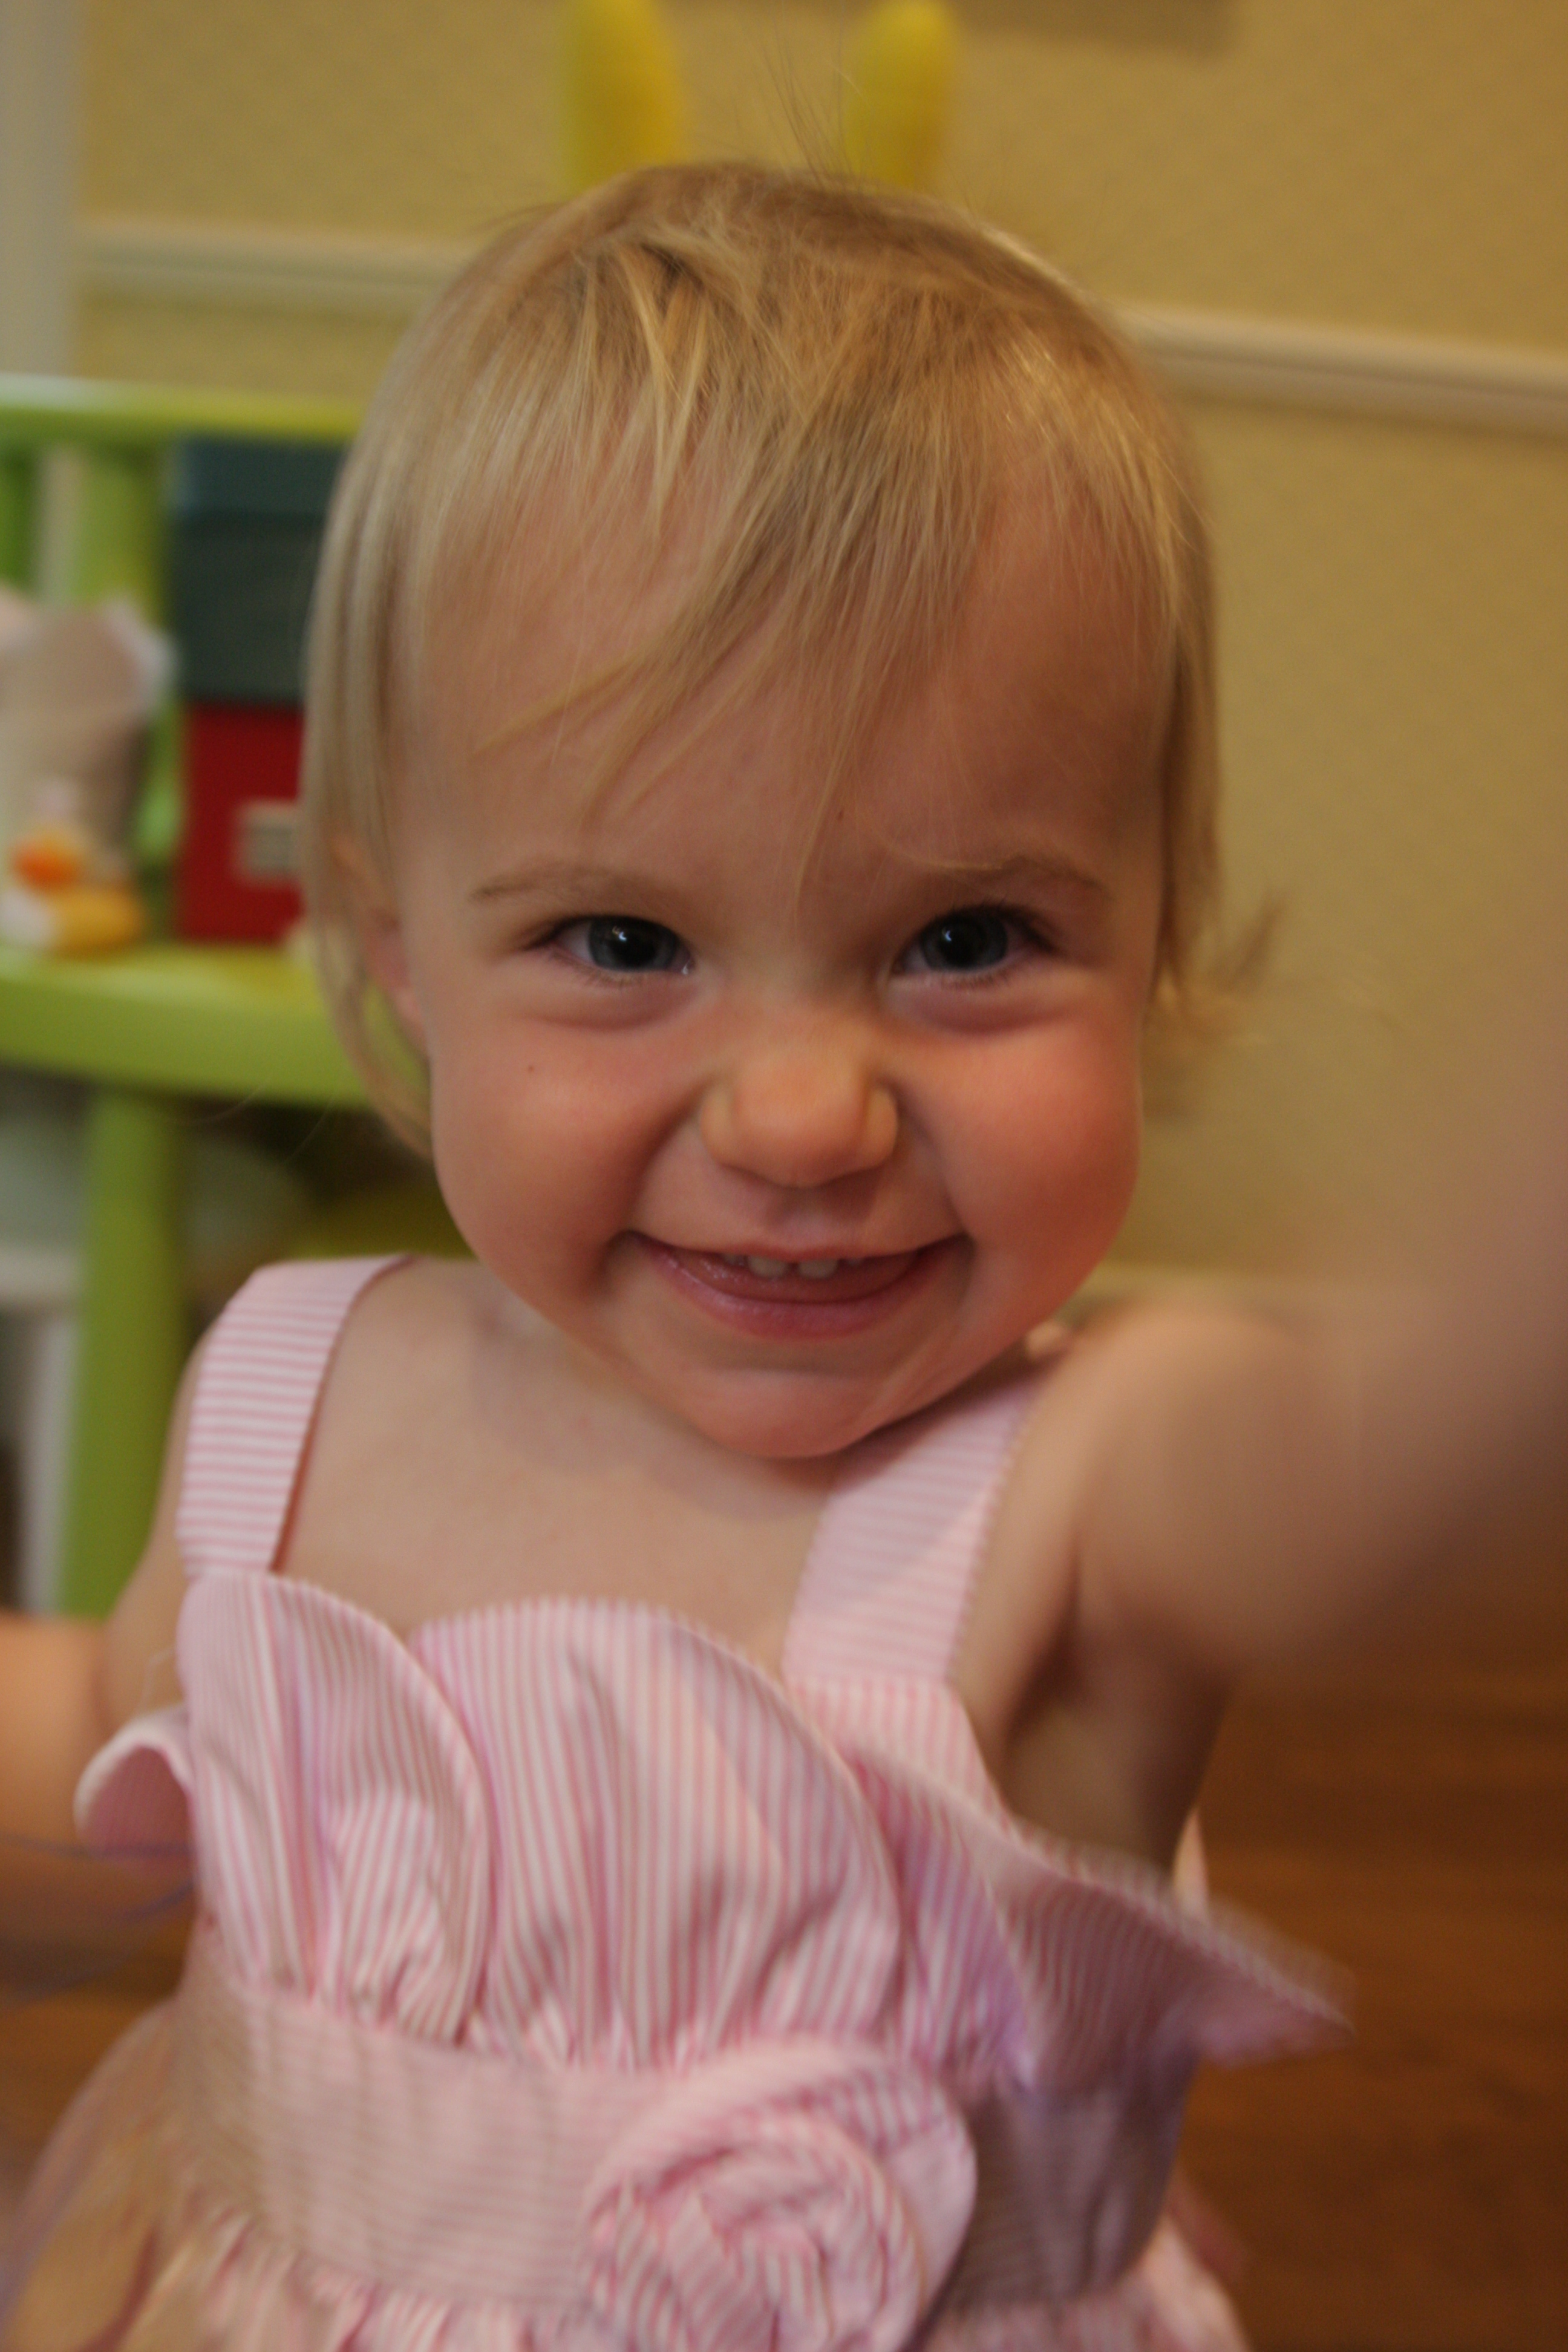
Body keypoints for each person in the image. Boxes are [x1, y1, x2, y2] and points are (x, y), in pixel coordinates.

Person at [0, 163, 1563, 2352]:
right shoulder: (292, 1387)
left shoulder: (1093, 1486)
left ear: (1151, 947)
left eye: (968, 940)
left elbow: (1385, 1487)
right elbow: (104, 1725)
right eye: (625, 942)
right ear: (397, 950)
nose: (806, 1115)